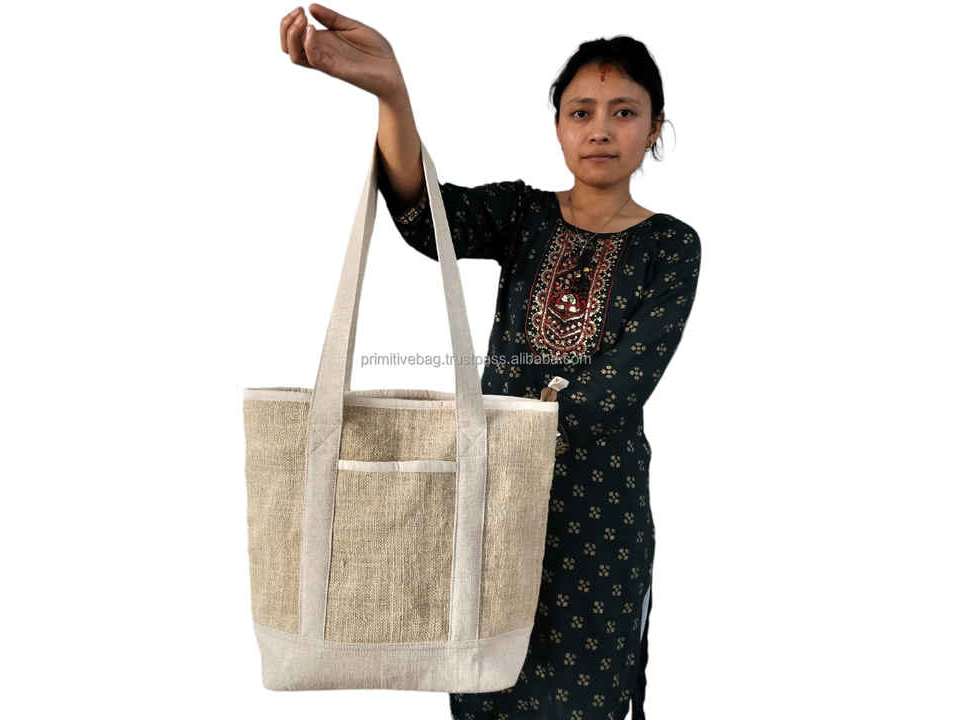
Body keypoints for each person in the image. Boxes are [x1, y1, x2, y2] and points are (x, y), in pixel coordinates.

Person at [280, 6, 701, 719]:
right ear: (558, 125)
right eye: (581, 112)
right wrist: (392, 93)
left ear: (655, 128)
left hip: (597, 512)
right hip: (489, 503)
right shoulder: (522, 215)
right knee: (485, 688)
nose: (601, 129)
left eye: (625, 112)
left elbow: (624, 384)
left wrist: (504, 424)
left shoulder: (671, 245)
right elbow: (423, 217)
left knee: (584, 697)